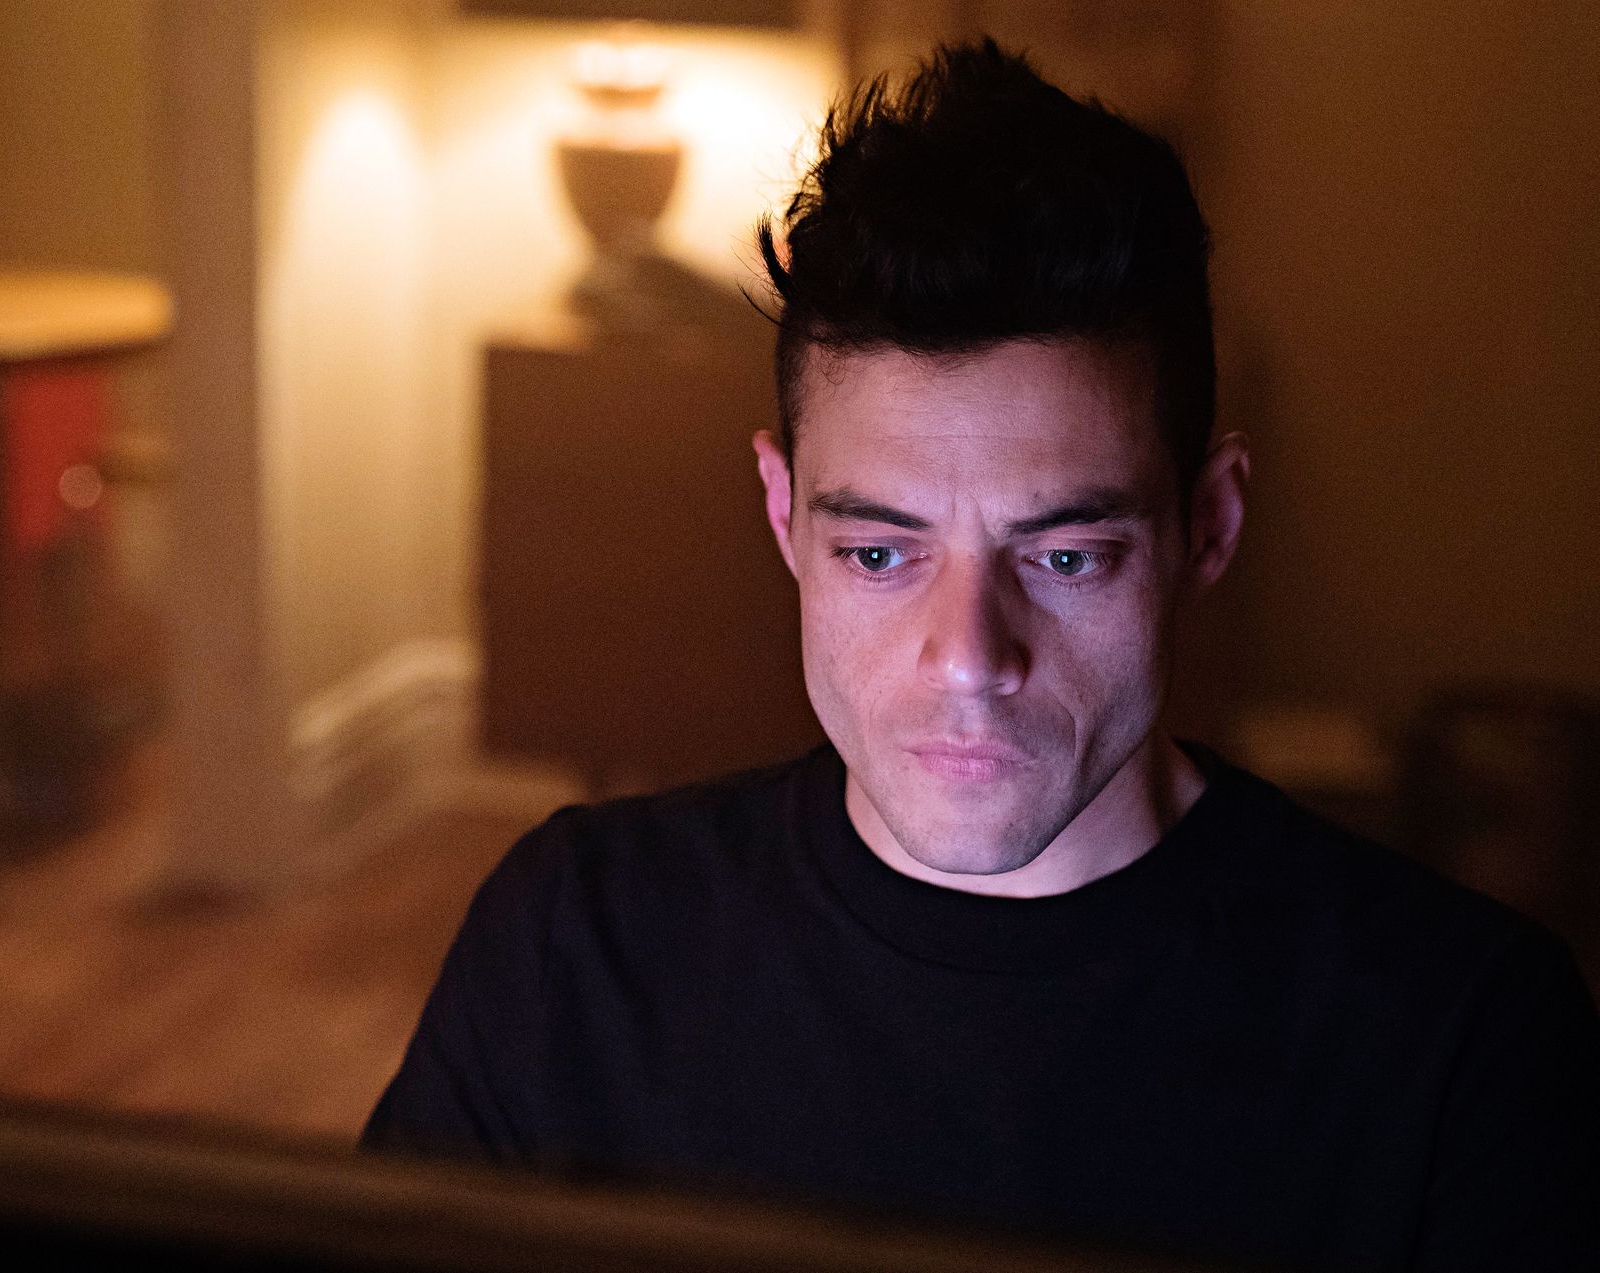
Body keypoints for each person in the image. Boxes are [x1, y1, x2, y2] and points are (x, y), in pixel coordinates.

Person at [362, 40, 1600, 1272]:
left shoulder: (1462, 1037)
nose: (966, 659)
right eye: (877, 554)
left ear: (1207, 525)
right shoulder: (571, 941)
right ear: (783, 516)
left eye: (1064, 557)